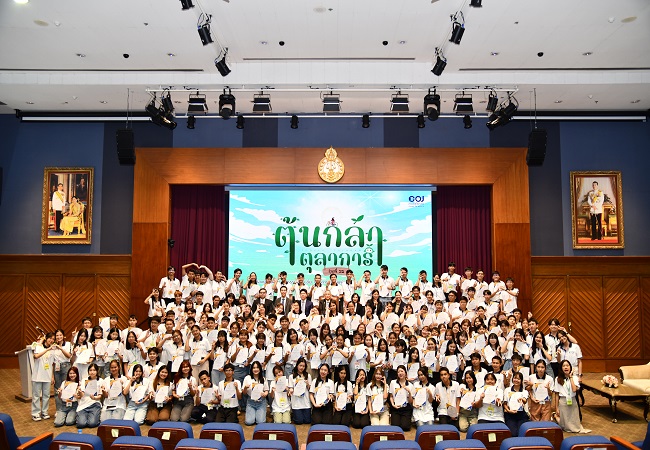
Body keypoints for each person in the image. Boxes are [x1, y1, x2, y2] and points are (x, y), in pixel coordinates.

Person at [553, 360, 591, 433]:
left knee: (575, 426)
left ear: (570, 367)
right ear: (561, 368)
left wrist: (570, 378)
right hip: (563, 401)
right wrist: (556, 407)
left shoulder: (574, 378)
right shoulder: (557, 379)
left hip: (572, 400)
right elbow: (556, 394)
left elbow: (574, 390)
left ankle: (556, 417)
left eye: (567, 365)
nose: (566, 367)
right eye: (564, 366)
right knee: (564, 426)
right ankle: (556, 416)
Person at [31, 332, 55, 421]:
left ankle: (45, 412)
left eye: (53, 339)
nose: (51, 340)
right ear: (46, 338)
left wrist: (52, 376)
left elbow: (52, 364)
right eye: (50, 338)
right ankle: (35, 413)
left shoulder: (53, 350)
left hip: (47, 375)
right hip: (37, 375)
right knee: (36, 395)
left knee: (46, 395)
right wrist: (47, 349)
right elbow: (36, 356)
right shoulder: (39, 346)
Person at [76, 363, 102, 428]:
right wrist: (79, 392)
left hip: (94, 404)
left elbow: (100, 396)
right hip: (84, 404)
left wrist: (94, 398)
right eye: (90, 370)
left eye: (94, 370)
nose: (92, 372)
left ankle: (92, 416)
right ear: (88, 371)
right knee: (81, 424)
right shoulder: (84, 380)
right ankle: (85, 416)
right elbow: (82, 395)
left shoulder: (100, 381)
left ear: (97, 371)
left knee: (92, 424)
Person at [389, 365, 413, 431]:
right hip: (396, 408)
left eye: (402, 371)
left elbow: (411, 402)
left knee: (405, 427)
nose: (400, 373)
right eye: (398, 372)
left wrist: (409, 392)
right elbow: (391, 396)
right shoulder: (393, 383)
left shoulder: (410, 385)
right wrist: (393, 404)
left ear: (405, 373)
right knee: (395, 427)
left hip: (406, 408)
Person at [243, 361, 268, 425]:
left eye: (257, 367)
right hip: (251, 402)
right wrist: (245, 388)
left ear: (260, 369)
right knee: (249, 422)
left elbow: (266, 390)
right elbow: (244, 393)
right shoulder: (247, 378)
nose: (255, 369)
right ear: (251, 369)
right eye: (254, 368)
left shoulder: (263, 379)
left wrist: (265, 394)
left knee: (260, 422)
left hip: (261, 402)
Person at [504, 372, 529, 436]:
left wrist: (522, 399)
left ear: (521, 381)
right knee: (513, 433)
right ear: (512, 379)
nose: (516, 380)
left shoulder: (524, 391)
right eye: (515, 378)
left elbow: (525, 400)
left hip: (521, 415)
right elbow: (505, 404)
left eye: (518, 379)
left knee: (522, 432)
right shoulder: (507, 390)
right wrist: (508, 410)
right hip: (510, 415)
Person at [288, 357, 312, 425]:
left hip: (305, 401)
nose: (302, 368)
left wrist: (307, 384)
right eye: (300, 365)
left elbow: (310, 389)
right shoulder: (291, 376)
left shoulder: (308, 376)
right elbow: (290, 388)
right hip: (296, 402)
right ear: (297, 365)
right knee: (299, 421)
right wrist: (291, 390)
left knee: (307, 421)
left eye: (303, 366)